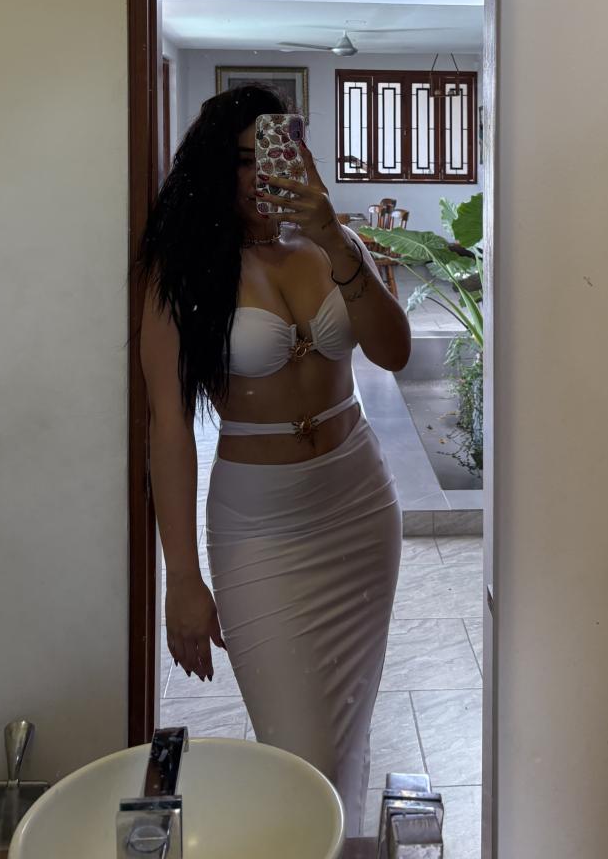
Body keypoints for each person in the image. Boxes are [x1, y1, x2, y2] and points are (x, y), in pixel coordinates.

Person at [138, 84, 411, 839]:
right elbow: (169, 431)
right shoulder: (181, 270)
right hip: (260, 528)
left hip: (360, 506)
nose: (264, 174)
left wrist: (336, 240)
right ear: (214, 170)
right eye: (245, 160)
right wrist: (182, 579)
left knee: (346, 736)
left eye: (281, 154)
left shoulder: (332, 247)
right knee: (300, 755)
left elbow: (393, 352)